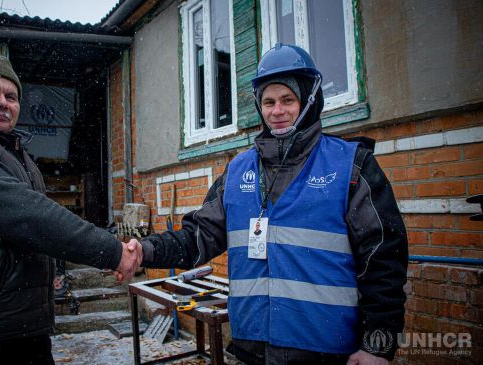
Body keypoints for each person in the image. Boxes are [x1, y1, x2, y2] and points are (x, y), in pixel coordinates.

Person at [127, 44, 408, 364]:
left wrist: (378, 347)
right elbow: (197, 238)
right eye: (268, 101)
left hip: (326, 350)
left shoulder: (351, 167)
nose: (277, 111)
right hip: (251, 348)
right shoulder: (237, 171)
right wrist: (143, 251)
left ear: (308, 101)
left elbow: (384, 261)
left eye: (288, 100)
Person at [0, 55, 141, 365]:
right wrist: (112, 250)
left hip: (20, 326)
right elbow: (30, 217)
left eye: (11, 97)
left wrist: (54, 270)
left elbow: (41, 230)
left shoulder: (18, 156)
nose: (2, 102)